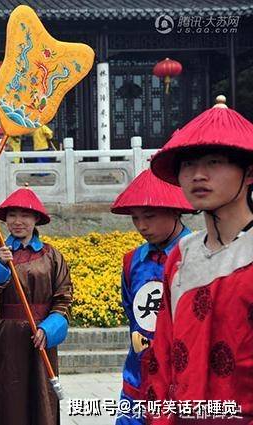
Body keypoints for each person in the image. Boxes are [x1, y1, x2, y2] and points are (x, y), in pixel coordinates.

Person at [147, 96, 253, 423]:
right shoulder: (182, 254)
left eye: (214, 162)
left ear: (249, 172)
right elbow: (162, 354)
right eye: (188, 165)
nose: (198, 175)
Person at [0, 187, 73, 425]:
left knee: (41, 399)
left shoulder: (52, 256)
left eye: (25, 215)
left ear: (36, 218)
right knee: (7, 398)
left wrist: (49, 329)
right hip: (6, 337)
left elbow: (64, 299)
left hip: (40, 337)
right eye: (12, 215)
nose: (18, 221)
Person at [110, 169, 194, 424]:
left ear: (174, 210)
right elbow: (132, 313)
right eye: (135, 218)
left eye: (149, 216)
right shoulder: (132, 261)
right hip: (138, 376)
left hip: (184, 381)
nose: (141, 226)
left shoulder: (198, 255)